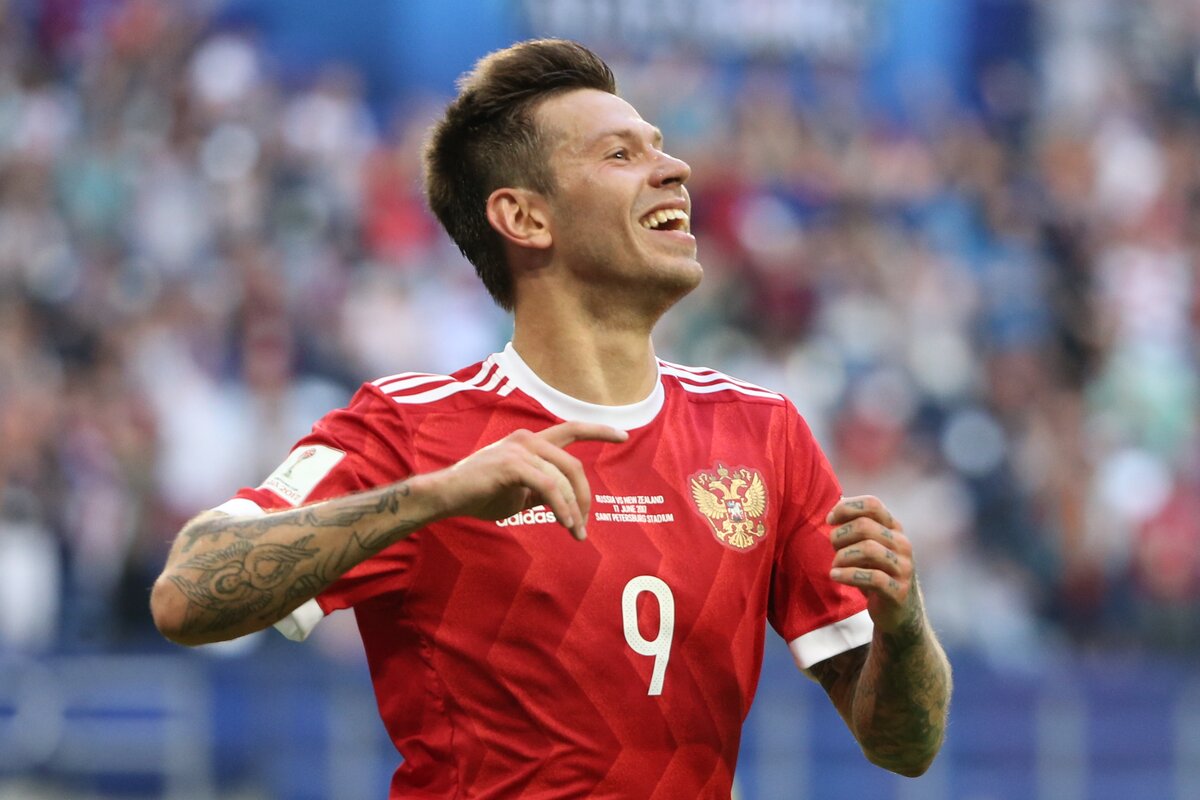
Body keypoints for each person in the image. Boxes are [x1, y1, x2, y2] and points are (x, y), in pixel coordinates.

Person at [151, 38, 951, 798]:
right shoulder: (412, 430)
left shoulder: (761, 431)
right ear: (526, 218)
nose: (674, 169)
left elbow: (904, 746)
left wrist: (905, 623)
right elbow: (185, 593)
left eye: (659, 146)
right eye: (620, 154)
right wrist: (435, 498)